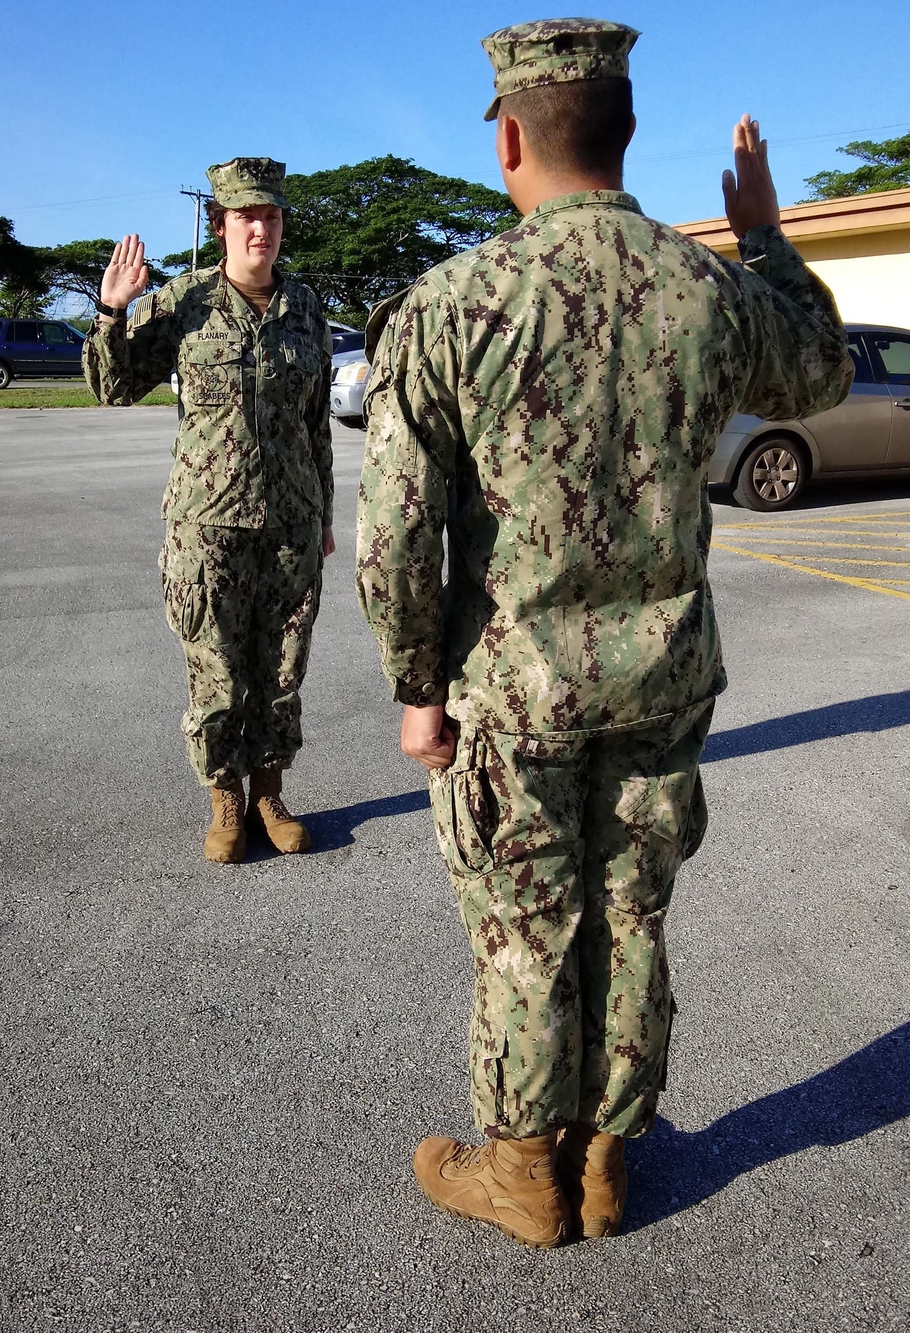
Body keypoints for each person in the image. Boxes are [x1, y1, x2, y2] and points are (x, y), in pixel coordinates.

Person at [356, 19, 853, 1248]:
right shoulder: (712, 290)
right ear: (623, 132)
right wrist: (765, 238)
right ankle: (608, 1162)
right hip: (663, 680)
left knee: (527, 926)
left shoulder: (453, 302)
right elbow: (824, 370)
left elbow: (394, 537)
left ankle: (526, 1172)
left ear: (511, 135)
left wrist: (418, 683)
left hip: (512, 698)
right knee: (629, 912)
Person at [84, 157, 334, 863]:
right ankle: (226, 801)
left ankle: (268, 794)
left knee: (282, 674)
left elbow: (316, 426)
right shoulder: (184, 303)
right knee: (217, 674)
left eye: (273, 216)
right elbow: (112, 387)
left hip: (290, 527)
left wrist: (323, 518)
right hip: (208, 529)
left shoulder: (305, 309)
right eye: (247, 217)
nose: (262, 228)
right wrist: (113, 311)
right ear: (219, 226)